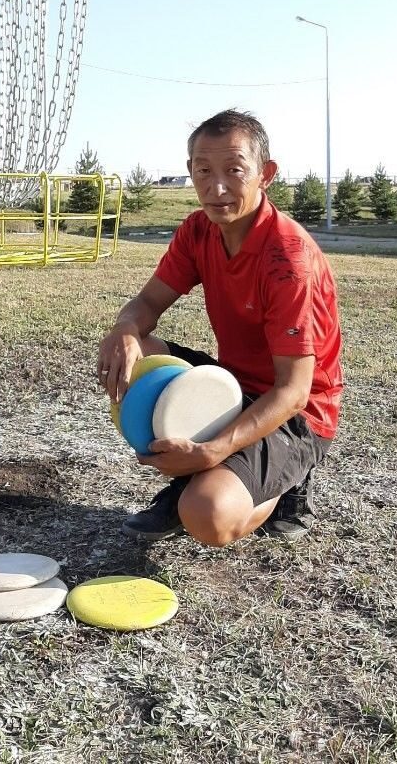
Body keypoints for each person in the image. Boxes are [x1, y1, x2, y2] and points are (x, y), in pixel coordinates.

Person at [97, 109, 343, 546]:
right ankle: (214, 470)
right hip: (233, 385)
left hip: (297, 415)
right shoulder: (198, 230)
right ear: (189, 171)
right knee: (139, 349)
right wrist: (124, 329)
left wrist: (212, 451)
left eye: (234, 170)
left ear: (265, 174)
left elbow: (293, 392)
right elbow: (149, 303)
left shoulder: (287, 259)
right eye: (203, 171)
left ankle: (286, 483)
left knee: (206, 516)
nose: (217, 188)